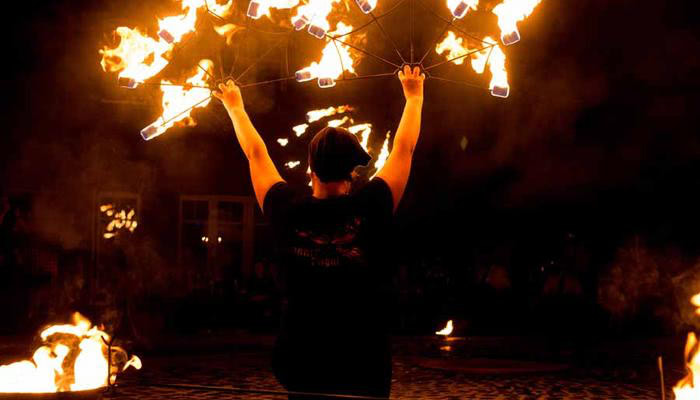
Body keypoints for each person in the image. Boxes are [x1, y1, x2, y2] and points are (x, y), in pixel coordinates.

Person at [214, 65, 424, 399]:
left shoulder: (285, 209)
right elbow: (404, 149)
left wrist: (235, 107)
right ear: (354, 172)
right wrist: (414, 96)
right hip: (363, 363)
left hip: (304, 362)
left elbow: (256, 153)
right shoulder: (372, 205)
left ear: (310, 169)